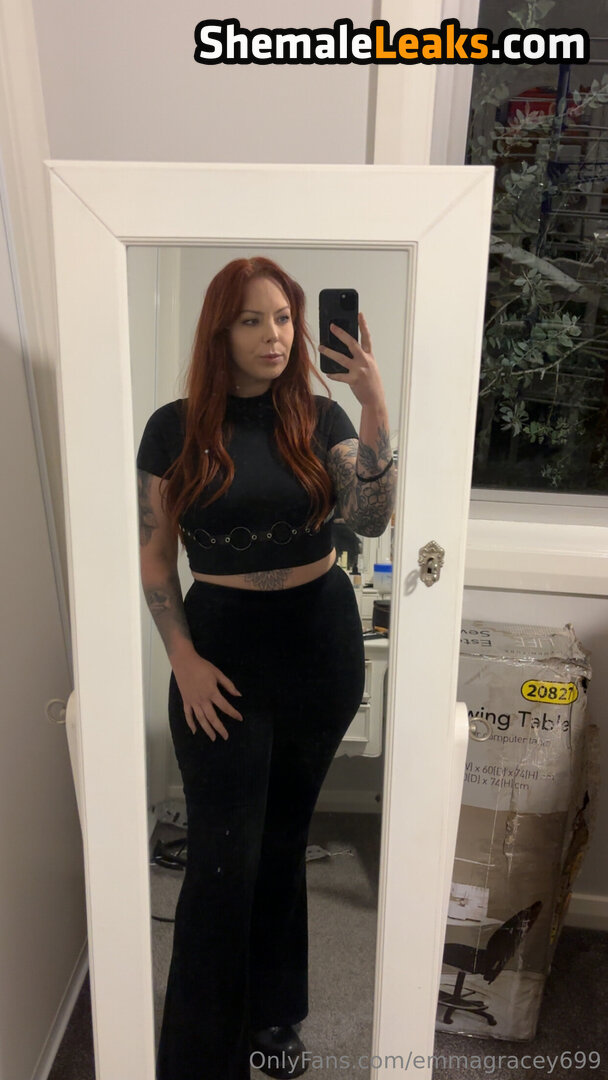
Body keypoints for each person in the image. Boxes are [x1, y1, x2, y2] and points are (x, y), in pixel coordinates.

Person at [136, 256, 396, 1080]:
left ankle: (274, 1017)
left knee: (283, 840)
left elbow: (372, 517)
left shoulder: (321, 417)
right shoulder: (172, 429)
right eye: (252, 320)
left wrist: (375, 404)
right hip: (219, 649)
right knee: (223, 857)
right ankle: (198, 1058)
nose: (275, 336)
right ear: (220, 332)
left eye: (283, 317)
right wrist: (182, 658)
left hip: (320, 646)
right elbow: (155, 558)